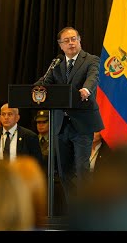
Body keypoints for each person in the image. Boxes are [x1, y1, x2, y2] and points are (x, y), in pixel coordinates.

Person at [35, 26, 104, 205]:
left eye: (74, 39)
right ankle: (74, 212)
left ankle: (88, 212)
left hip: (81, 123)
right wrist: (33, 90)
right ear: (60, 45)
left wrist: (86, 89)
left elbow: (93, 77)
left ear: (80, 40)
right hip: (60, 124)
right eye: (67, 40)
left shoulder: (91, 60)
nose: (71, 43)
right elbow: (44, 83)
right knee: (64, 171)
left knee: (82, 169)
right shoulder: (56, 64)